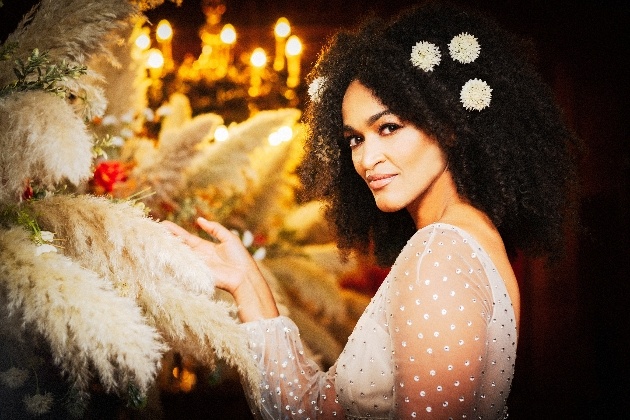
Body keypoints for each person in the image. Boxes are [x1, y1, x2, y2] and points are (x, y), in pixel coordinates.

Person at [163, 1, 579, 418]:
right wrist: (247, 283)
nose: (366, 158)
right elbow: (316, 409)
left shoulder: (441, 252)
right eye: (355, 139)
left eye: (388, 128)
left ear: (448, 125)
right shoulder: (468, 240)